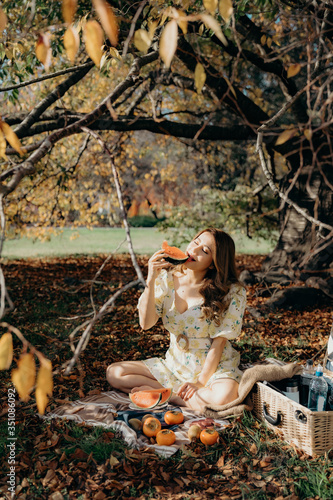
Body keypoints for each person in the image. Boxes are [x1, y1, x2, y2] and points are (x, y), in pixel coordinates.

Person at [106, 228, 247, 413]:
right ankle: (180, 396)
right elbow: (145, 324)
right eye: (196, 242)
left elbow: (219, 343)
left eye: (205, 251)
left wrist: (199, 382)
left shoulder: (232, 292)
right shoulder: (166, 279)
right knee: (115, 373)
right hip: (174, 365)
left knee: (225, 396)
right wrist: (151, 280)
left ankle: (168, 396)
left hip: (213, 368)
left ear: (214, 263)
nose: (194, 251)